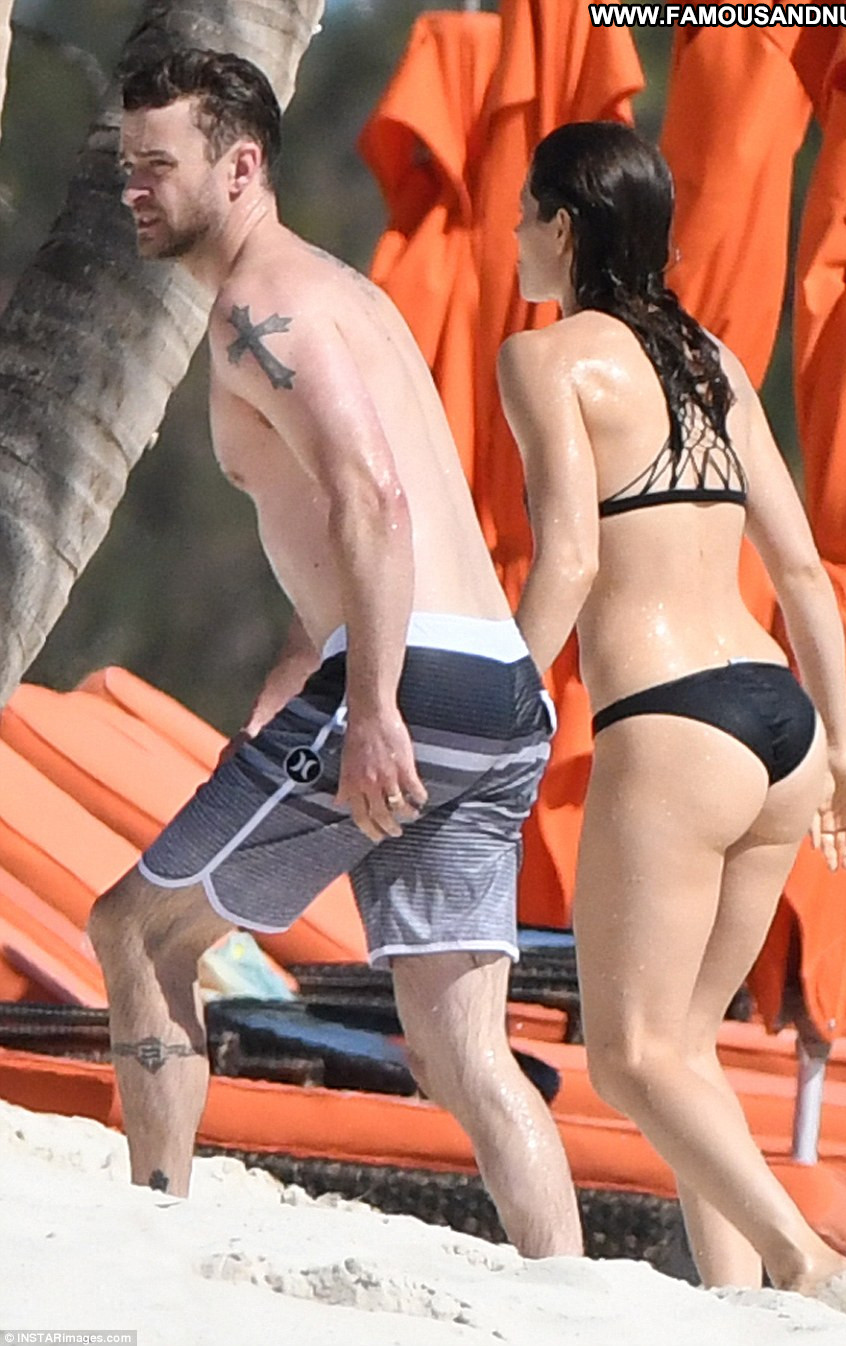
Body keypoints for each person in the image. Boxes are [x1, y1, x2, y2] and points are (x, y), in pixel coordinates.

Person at [87, 47, 583, 1260]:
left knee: (136, 932)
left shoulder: (261, 310)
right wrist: (295, 684)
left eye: (158, 163)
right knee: (460, 1047)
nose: (133, 187)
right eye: (125, 162)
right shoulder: (346, 293)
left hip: (407, 678)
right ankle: (573, 1300)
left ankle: (152, 1235)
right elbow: (337, 530)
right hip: (495, 687)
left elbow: (373, 500)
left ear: (240, 167)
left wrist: (367, 706)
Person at [497, 121, 846, 1308]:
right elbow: (801, 571)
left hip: (671, 722)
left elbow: (566, 561)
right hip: (781, 723)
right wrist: (843, 747)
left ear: (563, 227)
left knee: (627, 1053)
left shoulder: (546, 359)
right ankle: (741, 1303)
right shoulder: (713, 359)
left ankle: (802, 1257)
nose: (512, 233)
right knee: (686, 1046)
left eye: (523, 213)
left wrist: (496, 704)